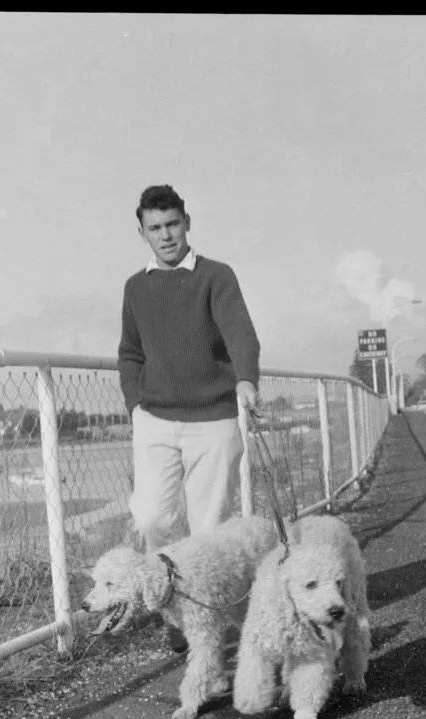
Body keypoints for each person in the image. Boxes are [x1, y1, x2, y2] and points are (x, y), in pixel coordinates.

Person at [118, 184, 263, 651]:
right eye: (155, 228)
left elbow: (240, 331)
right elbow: (130, 354)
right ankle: (173, 607)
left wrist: (245, 379)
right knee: (152, 517)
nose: (166, 236)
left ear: (187, 222)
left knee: (209, 527)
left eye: (173, 224)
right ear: (142, 233)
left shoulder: (216, 276)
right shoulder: (136, 287)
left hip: (215, 419)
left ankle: (203, 620)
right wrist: (134, 405)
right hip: (156, 419)